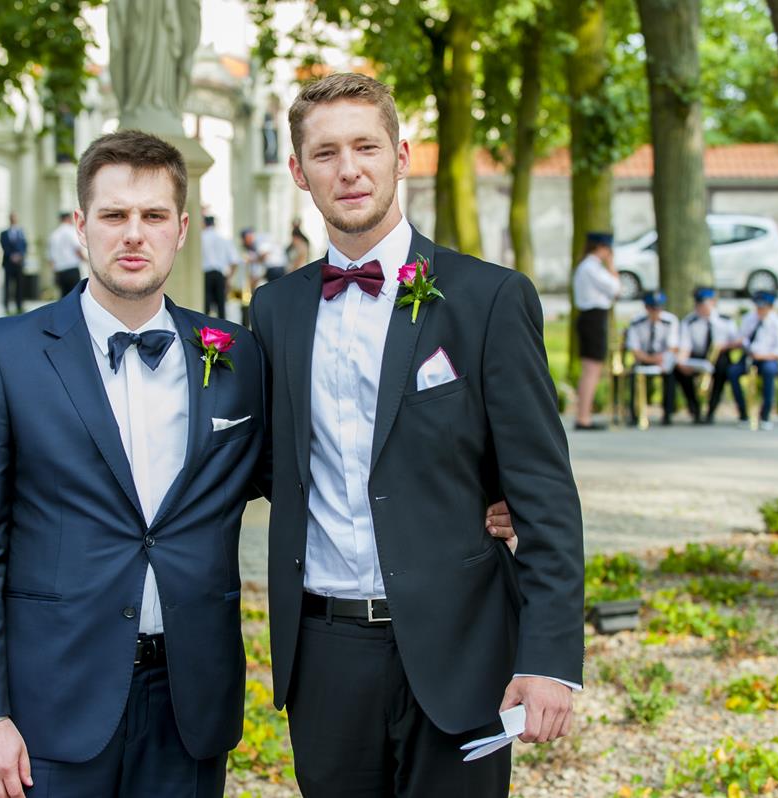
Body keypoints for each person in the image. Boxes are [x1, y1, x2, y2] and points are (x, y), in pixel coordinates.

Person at [249, 73, 583, 798]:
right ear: (299, 172)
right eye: (327, 153)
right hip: (324, 651)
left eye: (366, 146)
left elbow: (544, 491)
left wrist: (550, 658)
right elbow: (269, 462)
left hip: (461, 643)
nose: (349, 169)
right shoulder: (273, 310)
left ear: (401, 156)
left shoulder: (488, 298)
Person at [0, 130, 267, 798]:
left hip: (190, 701)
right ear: (82, 225)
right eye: (114, 215)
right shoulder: (3, 354)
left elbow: (297, 478)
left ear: (181, 230)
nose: (133, 234)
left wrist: (479, 496)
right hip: (52, 700)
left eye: (153, 216)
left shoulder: (237, 355)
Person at [572, 231, 621, 430]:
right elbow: (616, 289)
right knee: (592, 369)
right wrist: (611, 266)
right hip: (593, 318)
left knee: (591, 369)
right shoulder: (591, 267)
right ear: (601, 248)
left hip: (592, 317)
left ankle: (584, 415)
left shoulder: (587, 266)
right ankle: (583, 417)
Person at [674, 287, 738, 424]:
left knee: (722, 368)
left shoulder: (725, 320)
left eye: (704, 304)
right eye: (699, 304)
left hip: (719, 356)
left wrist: (724, 346)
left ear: (713, 302)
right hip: (698, 356)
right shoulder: (689, 321)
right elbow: (685, 346)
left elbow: (737, 341)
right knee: (680, 371)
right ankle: (695, 408)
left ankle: (711, 410)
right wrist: (681, 362)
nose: (701, 308)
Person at [728, 290, 778, 429]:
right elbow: (740, 338)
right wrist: (740, 342)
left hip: (768, 358)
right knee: (732, 372)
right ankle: (743, 414)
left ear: (770, 307)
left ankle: (765, 416)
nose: (759, 310)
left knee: (769, 371)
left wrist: (762, 356)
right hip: (749, 356)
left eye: (763, 307)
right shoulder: (749, 319)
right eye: (758, 306)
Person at [625, 291, 680, 426]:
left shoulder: (670, 321)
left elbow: (673, 347)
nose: (656, 312)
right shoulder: (636, 322)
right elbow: (635, 349)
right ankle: (635, 413)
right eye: (653, 308)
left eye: (658, 308)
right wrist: (651, 359)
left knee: (671, 374)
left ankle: (668, 413)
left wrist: (662, 360)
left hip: (663, 359)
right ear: (646, 308)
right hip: (644, 358)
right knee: (634, 375)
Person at [200, 214, 238, 318]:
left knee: (206, 306)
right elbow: (234, 261)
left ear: (204, 224)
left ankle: (204, 327)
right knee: (221, 306)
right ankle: (222, 327)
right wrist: (229, 279)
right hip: (220, 275)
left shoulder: (201, 238)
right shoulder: (224, 239)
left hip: (206, 275)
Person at [49, 211, 86, 298]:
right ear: (68, 218)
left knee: (63, 296)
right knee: (74, 296)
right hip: (71, 268)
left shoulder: (54, 234)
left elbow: (51, 257)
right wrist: (85, 259)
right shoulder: (70, 231)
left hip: (59, 270)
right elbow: (77, 249)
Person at [0, 213, 28, 315]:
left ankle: (19, 305)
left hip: (19, 263)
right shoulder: (4, 233)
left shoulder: (21, 232)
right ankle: (6, 306)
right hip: (8, 263)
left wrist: (20, 255)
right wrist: (11, 256)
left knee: (19, 285)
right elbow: (3, 245)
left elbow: (25, 245)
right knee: (7, 285)